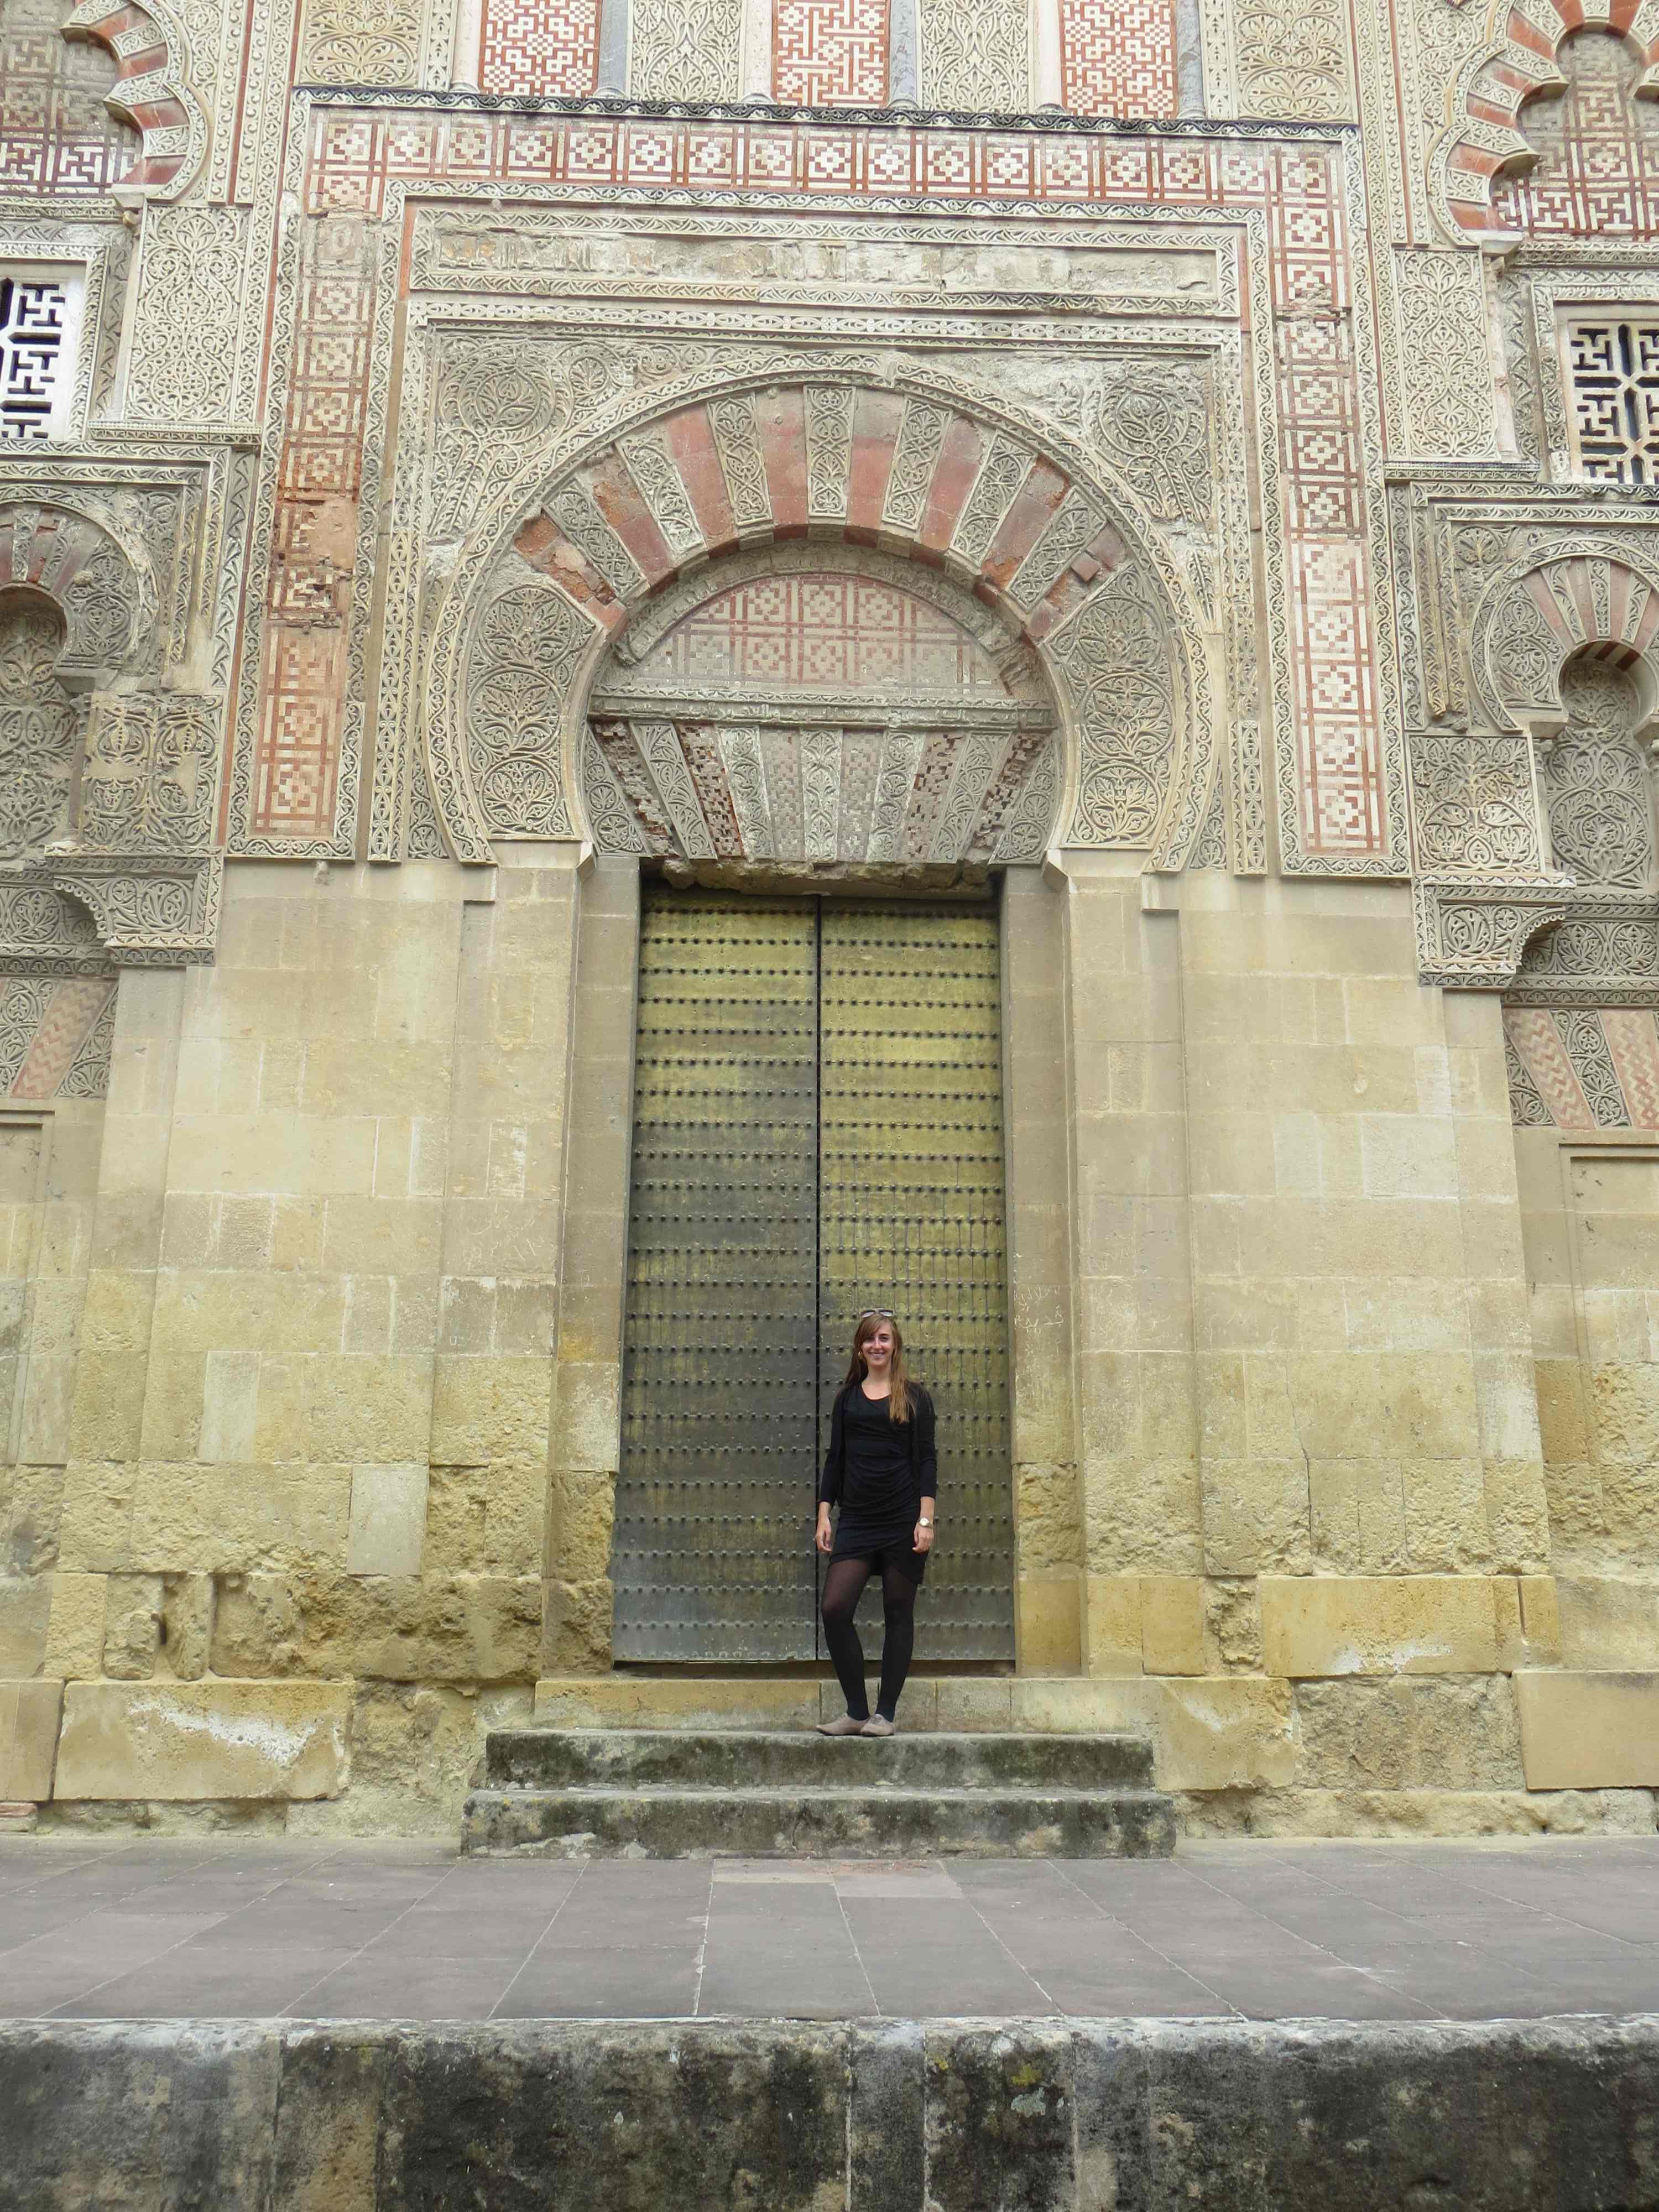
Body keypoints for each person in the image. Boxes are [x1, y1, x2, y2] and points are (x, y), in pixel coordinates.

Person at [813, 1310, 936, 1737]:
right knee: (834, 1608)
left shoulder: (915, 1397)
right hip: (858, 1520)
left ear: (895, 1345)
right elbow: (835, 1460)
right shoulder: (847, 1399)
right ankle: (856, 1711)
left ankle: (885, 1714)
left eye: (884, 1338)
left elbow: (926, 1461)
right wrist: (824, 1514)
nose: (877, 1346)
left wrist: (925, 1519)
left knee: (898, 1614)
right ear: (860, 1348)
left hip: (903, 1519)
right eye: (870, 1339)